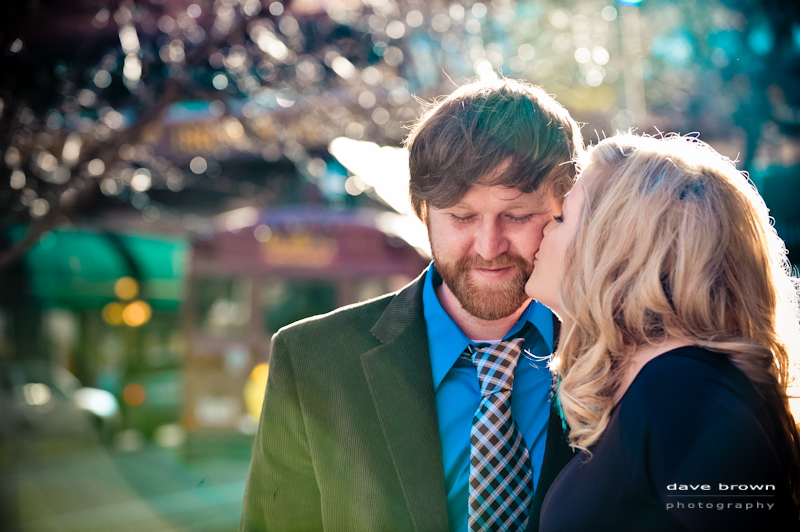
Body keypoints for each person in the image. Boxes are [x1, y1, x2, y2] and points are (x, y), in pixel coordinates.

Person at [240, 78, 583, 531]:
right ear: (422, 212)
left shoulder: (616, 352)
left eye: (518, 215)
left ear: (564, 210)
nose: (488, 245)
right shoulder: (311, 359)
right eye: (461, 217)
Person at [525, 132, 800, 531]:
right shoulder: (657, 391)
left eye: (564, 217)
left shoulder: (682, 396)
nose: (544, 229)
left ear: (615, 246)